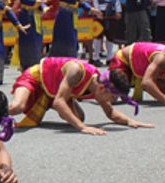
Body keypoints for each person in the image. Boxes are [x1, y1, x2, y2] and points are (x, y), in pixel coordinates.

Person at [9, 57, 153, 136]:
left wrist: (130, 121)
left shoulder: (100, 86)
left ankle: (48, 102)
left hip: (53, 92)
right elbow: (59, 102)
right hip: (36, 78)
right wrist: (82, 128)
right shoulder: (77, 72)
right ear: (102, 89)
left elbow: (110, 113)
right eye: (113, 97)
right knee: (17, 107)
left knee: (77, 117)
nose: (112, 102)